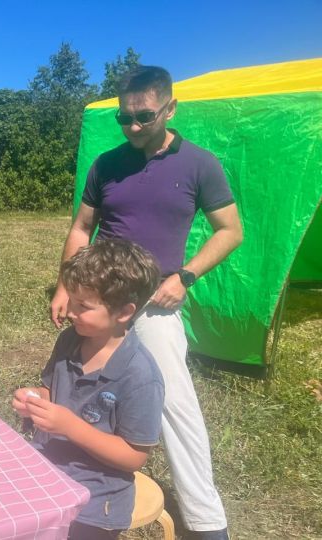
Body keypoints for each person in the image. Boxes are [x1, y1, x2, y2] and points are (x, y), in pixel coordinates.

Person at [49, 66, 243, 539]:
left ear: (169, 109)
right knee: (71, 391)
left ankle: (205, 520)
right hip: (100, 303)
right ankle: (64, 491)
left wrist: (187, 275)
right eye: (124, 117)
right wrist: (65, 287)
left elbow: (231, 231)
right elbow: (81, 228)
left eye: (144, 116)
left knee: (175, 404)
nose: (133, 126)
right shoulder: (106, 164)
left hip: (155, 301)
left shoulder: (199, 164)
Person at [14, 238, 164, 539]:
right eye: (72, 299)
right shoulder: (70, 340)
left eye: (83, 306)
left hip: (97, 499)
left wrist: (70, 426)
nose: (70, 311)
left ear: (123, 312)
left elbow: (134, 456)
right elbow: (52, 393)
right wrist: (34, 399)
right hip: (47, 465)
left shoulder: (140, 376)